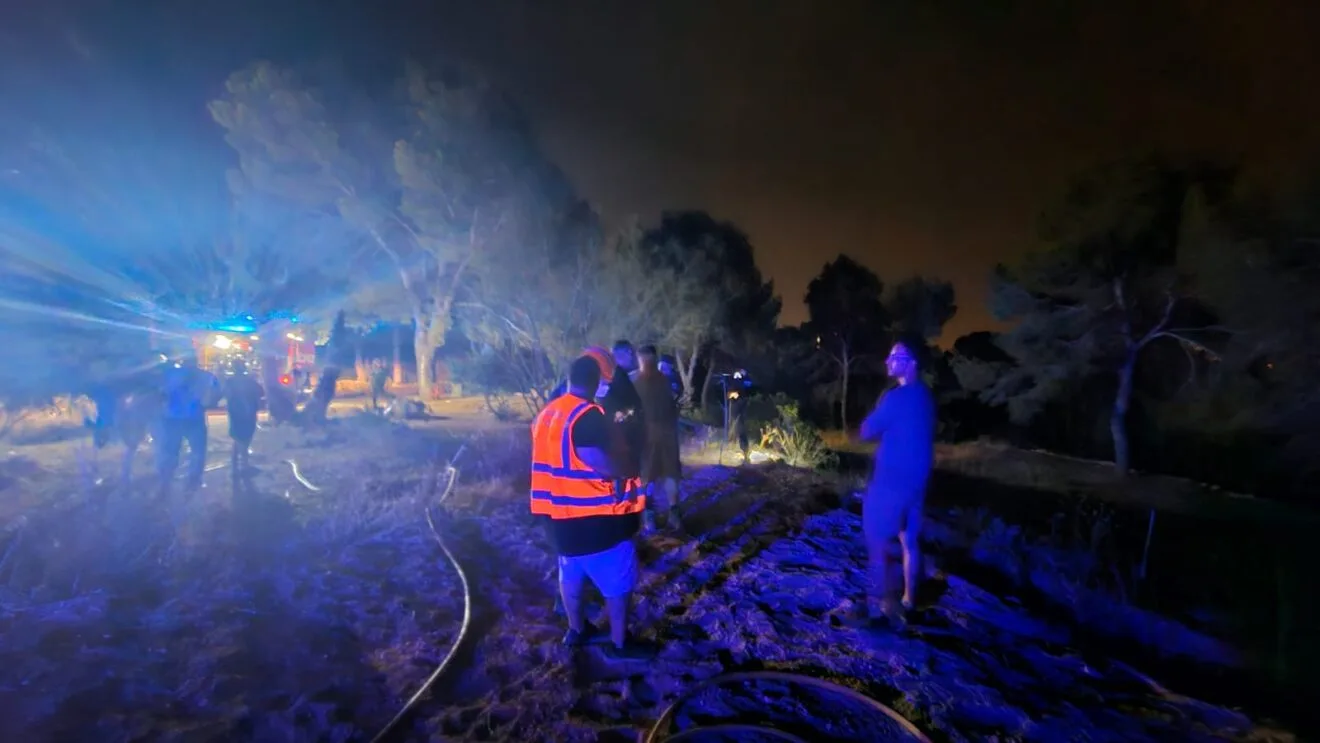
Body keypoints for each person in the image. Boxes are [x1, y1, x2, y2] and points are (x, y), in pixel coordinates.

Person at [530, 355, 655, 660]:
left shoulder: (547, 413)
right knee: (618, 582)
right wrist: (625, 468)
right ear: (597, 381)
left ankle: (577, 630)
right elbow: (597, 460)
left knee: (571, 573)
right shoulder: (587, 416)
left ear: (569, 378)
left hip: (557, 518)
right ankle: (620, 644)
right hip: (595, 520)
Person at [854, 340, 936, 629]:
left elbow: (865, 431)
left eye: (896, 356)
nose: (889, 360)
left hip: (890, 483)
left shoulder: (896, 398)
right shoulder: (926, 396)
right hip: (916, 484)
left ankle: (878, 609)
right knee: (909, 542)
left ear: (912, 362)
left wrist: (878, 410)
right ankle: (909, 602)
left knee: (877, 543)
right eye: (889, 355)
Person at [156, 353, 222, 495]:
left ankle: (165, 480)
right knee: (197, 451)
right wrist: (207, 403)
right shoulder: (206, 376)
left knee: (170, 450)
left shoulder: (171, 374)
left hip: (172, 417)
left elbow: (160, 393)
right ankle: (193, 480)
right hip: (194, 417)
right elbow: (217, 394)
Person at [633, 345, 683, 532]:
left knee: (649, 476)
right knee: (668, 473)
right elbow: (674, 405)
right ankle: (672, 514)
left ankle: (651, 515)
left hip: (649, 436)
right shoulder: (666, 381)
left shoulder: (637, 382)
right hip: (667, 435)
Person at [223, 359, 264, 472]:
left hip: (235, 412)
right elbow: (261, 392)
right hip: (248, 412)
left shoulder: (230, 381)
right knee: (245, 438)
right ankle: (244, 465)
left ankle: (235, 462)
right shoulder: (249, 381)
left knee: (237, 437)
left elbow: (226, 394)